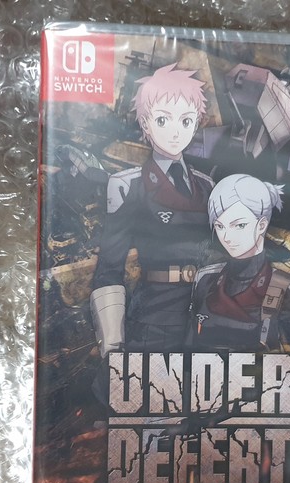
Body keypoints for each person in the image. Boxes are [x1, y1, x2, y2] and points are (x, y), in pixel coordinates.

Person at [187, 173, 290, 438]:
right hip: (200, 418)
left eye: (239, 225)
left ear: (261, 225)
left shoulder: (285, 290)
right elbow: (184, 352)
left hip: (254, 428)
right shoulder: (205, 280)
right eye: (220, 226)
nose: (227, 237)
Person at [90, 63, 214, 356]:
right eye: (162, 120)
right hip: (155, 314)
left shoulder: (207, 186)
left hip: (205, 315)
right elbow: (109, 268)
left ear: (196, 123)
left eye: (186, 120)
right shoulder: (128, 185)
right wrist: (113, 344)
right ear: (146, 123)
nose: (175, 132)